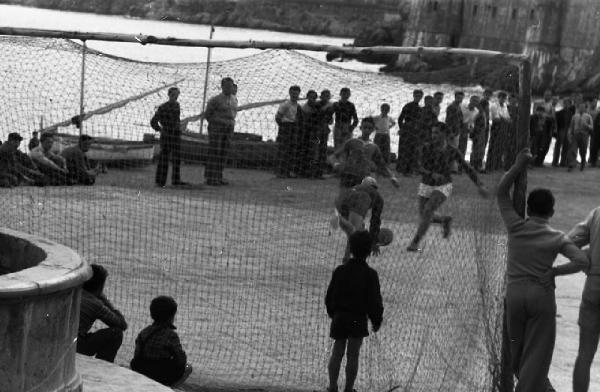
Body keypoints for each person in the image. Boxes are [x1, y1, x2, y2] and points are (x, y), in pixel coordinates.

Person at [496, 148, 589, 392]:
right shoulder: (556, 237)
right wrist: (555, 272)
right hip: (541, 295)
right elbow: (582, 261)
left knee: (517, 353)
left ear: (528, 209)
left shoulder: (515, 226)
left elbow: (501, 192)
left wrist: (517, 166)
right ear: (552, 213)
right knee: (537, 355)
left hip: (515, 295)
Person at [407, 122, 488, 252]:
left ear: (445, 134)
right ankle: (445, 219)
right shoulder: (426, 147)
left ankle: (415, 242)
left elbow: (468, 168)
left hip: (443, 185)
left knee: (428, 210)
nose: (433, 135)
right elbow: (417, 166)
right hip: (426, 184)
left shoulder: (452, 151)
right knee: (424, 215)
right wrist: (430, 173)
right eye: (432, 132)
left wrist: (480, 185)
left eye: (437, 133)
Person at [325, 230, 383, 392]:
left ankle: (332, 387)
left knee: (337, 352)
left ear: (350, 248)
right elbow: (374, 301)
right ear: (369, 251)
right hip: (358, 318)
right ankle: (349, 389)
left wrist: (333, 313)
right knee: (353, 355)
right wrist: (376, 320)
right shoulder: (371, 275)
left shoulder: (340, 271)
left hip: (340, 317)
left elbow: (330, 296)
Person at [569, 206, 600, 392]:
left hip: (594, 286)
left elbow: (569, 241)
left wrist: (586, 263)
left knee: (585, 355)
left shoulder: (597, 213)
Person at [130, 296, 193, 388]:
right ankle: (168, 388)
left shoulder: (144, 332)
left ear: (152, 314)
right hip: (162, 375)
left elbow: (137, 355)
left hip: (143, 371)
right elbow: (181, 359)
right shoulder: (171, 335)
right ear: (171, 317)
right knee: (188, 367)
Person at [329, 117, 399, 190]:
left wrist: (392, 177)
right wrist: (336, 164)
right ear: (360, 128)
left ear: (373, 130)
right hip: (348, 176)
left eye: (369, 128)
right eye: (365, 127)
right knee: (345, 198)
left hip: (363, 177)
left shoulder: (374, 147)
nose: (367, 130)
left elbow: (382, 165)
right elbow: (333, 156)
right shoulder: (351, 142)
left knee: (362, 198)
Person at [77, 264, 128, 363]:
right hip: (75, 346)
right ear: (100, 286)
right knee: (116, 333)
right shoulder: (95, 304)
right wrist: (104, 299)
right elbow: (122, 324)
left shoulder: (71, 292)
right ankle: (102, 367)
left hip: (58, 340)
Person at [334, 176, 384, 262]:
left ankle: (348, 257)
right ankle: (353, 260)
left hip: (340, 205)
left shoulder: (355, 187)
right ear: (375, 187)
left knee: (356, 231)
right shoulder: (377, 196)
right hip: (359, 203)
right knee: (358, 234)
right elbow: (375, 221)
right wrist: (374, 241)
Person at [150, 87, 187, 187]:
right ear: (169, 95)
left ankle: (175, 180)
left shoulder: (177, 105)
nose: (175, 97)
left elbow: (176, 120)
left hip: (175, 134)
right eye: (174, 95)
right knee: (164, 158)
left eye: (177, 95)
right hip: (167, 134)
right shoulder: (163, 107)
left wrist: (179, 126)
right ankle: (160, 181)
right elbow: (153, 121)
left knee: (177, 158)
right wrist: (160, 129)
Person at [205, 77, 238, 186]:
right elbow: (208, 115)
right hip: (217, 129)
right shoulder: (215, 100)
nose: (229, 88)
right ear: (222, 86)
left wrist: (230, 124)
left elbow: (233, 114)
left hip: (229, 129)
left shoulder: (234, 99)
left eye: (231, 86)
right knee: (215, 152)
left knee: (224, 152)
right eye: (227, 86)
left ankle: (219, 176)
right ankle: (210, 177)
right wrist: (218, 122)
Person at [275, 85, 302, 178]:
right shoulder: (285, 104)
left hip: (293, 128)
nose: (295, 95)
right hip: (286, 127)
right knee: (283, 150)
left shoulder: (298, 106)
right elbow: (278, 117)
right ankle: (280, 172)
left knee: (292, 150)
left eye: (297, 94)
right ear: (290, 93)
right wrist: (283, 127)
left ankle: (288, 171)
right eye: (293, 93)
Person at [396, 89, 423, 176]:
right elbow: (400, 118)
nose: (418, 98)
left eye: (419, 96)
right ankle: (403, 169)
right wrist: (402, 128)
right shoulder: (408, 106)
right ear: (413, 96)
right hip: (407, 130)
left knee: (413, 150)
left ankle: (409, 170)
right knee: (405, 150)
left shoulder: (420, 108)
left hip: (415, 131)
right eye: (416, 96)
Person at [485, 91, 511, 172]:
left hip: (503, 128)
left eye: (504, 98)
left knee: (501, 147)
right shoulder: (494, 105)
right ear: (498, 97)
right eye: (502, 97)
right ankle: (489, 165)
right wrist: (504, 119)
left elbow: (508, 118)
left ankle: (497, 165)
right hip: (496, 127)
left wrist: (504, 119)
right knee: (493, 146)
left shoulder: (505, 106)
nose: (503, 99)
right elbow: (496, 118)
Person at [298, 90, 321, 178]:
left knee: (315, 153)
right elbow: (302, 122)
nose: (313, 99)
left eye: (314, 97)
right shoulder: (304, 108)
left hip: (315, 132)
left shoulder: (318, 106)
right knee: (305, 151)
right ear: (307, 97)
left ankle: (313, 172)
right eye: (311, 97)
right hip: (306, 133)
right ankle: (305, 171)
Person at [314, 89, 334, 178]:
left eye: (328, 96)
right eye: (325, 96)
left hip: (324, 130)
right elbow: (317, 116)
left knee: (323, 150)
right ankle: (314, 171)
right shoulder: (317, 105)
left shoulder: (330, 106)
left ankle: (320, 172)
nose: (326, 98)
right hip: (317, 130)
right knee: (316, 150)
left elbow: (330, 121)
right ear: (321, 96)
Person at [567, 102, 593, 172]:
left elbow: (591, 127)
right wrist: (570, 134)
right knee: (573, 149)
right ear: (578, 108)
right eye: (580, 107)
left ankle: (583, 163)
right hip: (576, 134)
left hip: (584, 135)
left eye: (583, 107)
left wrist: (587, 126)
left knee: (583, 150)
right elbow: (571, 126)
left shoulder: (588, 116)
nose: (581, 108)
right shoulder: (574, 116)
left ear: (585, 108)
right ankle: (571, 164)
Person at [445, 91, 465, 173]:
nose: (459, 99)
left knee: (454, 149)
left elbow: (460, 120)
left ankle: (452, 167)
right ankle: (450, 168)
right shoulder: (451, 107)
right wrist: (450, 132)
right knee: (450, 149)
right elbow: (448, 120)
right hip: (452, 132)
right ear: (455, 97)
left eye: (461, 97)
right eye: (458, 97)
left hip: (457, 131)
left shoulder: (459, 107)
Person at [553, 97, 575, 167]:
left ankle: (563, 162)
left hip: (568, 130)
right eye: (565, 103)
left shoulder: (571, 113)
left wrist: (570, 131)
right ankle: (555, 162)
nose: (566, 105)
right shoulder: (558, 113)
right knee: (558, 146)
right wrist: (556, 130)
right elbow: (556, 123)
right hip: (561, 130)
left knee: (566, 146)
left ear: (569, 105)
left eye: (567, 103)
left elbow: (571, 123)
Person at [470, 99, 489, 173]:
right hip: (478, 134)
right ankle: (476, 166)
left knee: (479, 150)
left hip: (481, 134)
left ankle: (477, 165)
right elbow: (477, 127)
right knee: (477, 150)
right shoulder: (480, 115)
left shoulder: (482, 114)